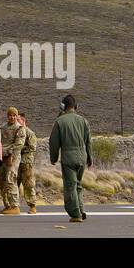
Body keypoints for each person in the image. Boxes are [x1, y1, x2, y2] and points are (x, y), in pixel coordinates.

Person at [48, 94, 92, 222]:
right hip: (82, 157)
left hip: (68, 158)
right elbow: (88, 141)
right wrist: (90, 158)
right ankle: (81, 209)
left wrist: (54, 158)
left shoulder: (60, 121)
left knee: (70, 185)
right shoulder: (83, 121)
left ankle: (75, 214)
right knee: (78, 184)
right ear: (76, 106)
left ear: (63, 106)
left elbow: (54, 142)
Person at [0, 107, 27, 215]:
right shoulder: (2, 127)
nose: (12, 117)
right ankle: (7, 205)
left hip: (12, 157)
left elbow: (19, 144)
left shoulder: (20, 128)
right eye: (10, 115)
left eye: (14, 115)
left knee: (10, 180)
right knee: (2, 182)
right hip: (2, 157)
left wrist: (8, 152)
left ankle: (15, 206)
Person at [17, 112, 38, 213]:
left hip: (26, 162)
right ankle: (13, 206)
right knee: (13, 184)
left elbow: (32, 147)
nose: (16, 122)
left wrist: (19, 148)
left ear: (23, 121)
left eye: (18, 120)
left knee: (28, 184)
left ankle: (32, 205)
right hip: (16, 162)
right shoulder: (16, 133)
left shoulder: (29, 133)